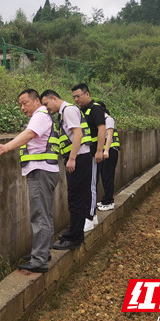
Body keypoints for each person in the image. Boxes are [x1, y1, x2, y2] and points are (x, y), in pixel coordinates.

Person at [0, 89, 59, 273]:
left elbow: (29, 134)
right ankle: (43, 253)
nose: (22, 107)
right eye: (20, 104)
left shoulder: (40, 115)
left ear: (36, 101)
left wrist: (6, 146)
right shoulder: (44, 116)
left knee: (39, 216)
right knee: (45, 214)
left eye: (25, 103)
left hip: (40, 171)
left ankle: (39, 261)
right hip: (46, 170)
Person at [40, 89, 92, 250]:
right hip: (79, 158)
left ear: (54, 98)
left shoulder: (68, 110)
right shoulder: (66, 112)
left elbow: (78, 135)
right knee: (76, 197)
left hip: (79, 159)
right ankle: (74, 233)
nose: (46, 108)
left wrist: (72, 158)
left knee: (76, 198)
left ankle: (75, 237)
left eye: (46, 104)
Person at [71, 84, 106, 231]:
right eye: (74, 97)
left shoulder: (95, 108)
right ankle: (94, 215)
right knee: (85, 185)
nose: (76, 99)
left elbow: (102, 129)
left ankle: (89, 217)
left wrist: (99, 150)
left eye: (78, 96)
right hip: (83, 153)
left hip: (92, 153)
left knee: (90, 185)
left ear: (87, 94)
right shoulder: (81, 111)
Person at [96, 101, 120, 210]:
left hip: (110, 151)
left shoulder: (108, 119)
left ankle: (109, 202)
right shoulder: (100, 121)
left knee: (108, 176)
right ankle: (106, 199)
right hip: (105, 151)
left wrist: (106, 151)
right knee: (104, 176)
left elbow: (109, 135)